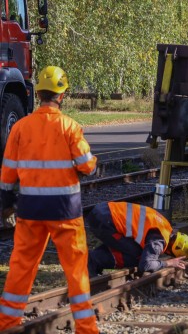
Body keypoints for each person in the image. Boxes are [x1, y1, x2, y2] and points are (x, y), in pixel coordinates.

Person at [0, 66, 99, 333]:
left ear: (40, 94)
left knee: (21, 266)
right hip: (65, 212)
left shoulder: (20, 128)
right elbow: (86, 165)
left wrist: (6, 203)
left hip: (30, 211)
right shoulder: (70, 127)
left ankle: (7, 323)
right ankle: (86, 329)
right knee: (76, 270)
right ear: (62, 95)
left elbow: (7, 173)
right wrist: (92, 162)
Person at [86, 201, 188, 276]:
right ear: (173, 251)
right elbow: (146, 265)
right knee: (139, 255)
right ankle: (93, 260)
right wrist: (169, 263)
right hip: (105, 222)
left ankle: (94, 261)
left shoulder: (165, 227)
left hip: (103, 212)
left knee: (129, 246)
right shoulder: (159, 240)